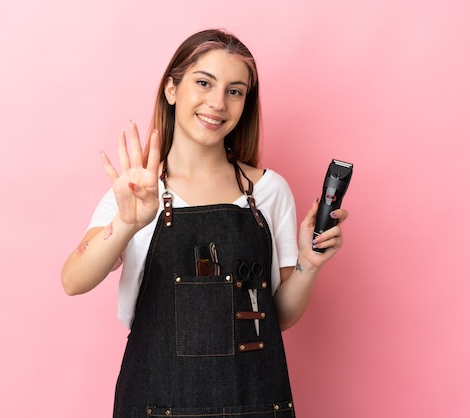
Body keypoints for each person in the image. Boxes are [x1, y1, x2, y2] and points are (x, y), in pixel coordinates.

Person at [61, 28, 348, 418]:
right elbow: (73, 280)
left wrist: (307, 266)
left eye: (235, 91)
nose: (217, 103)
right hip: (154, 404)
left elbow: (277, 317)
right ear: (172, 90)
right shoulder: (138, 190)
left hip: (256, 404)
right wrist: (126, 224)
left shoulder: (269, 192)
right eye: (203, 82)